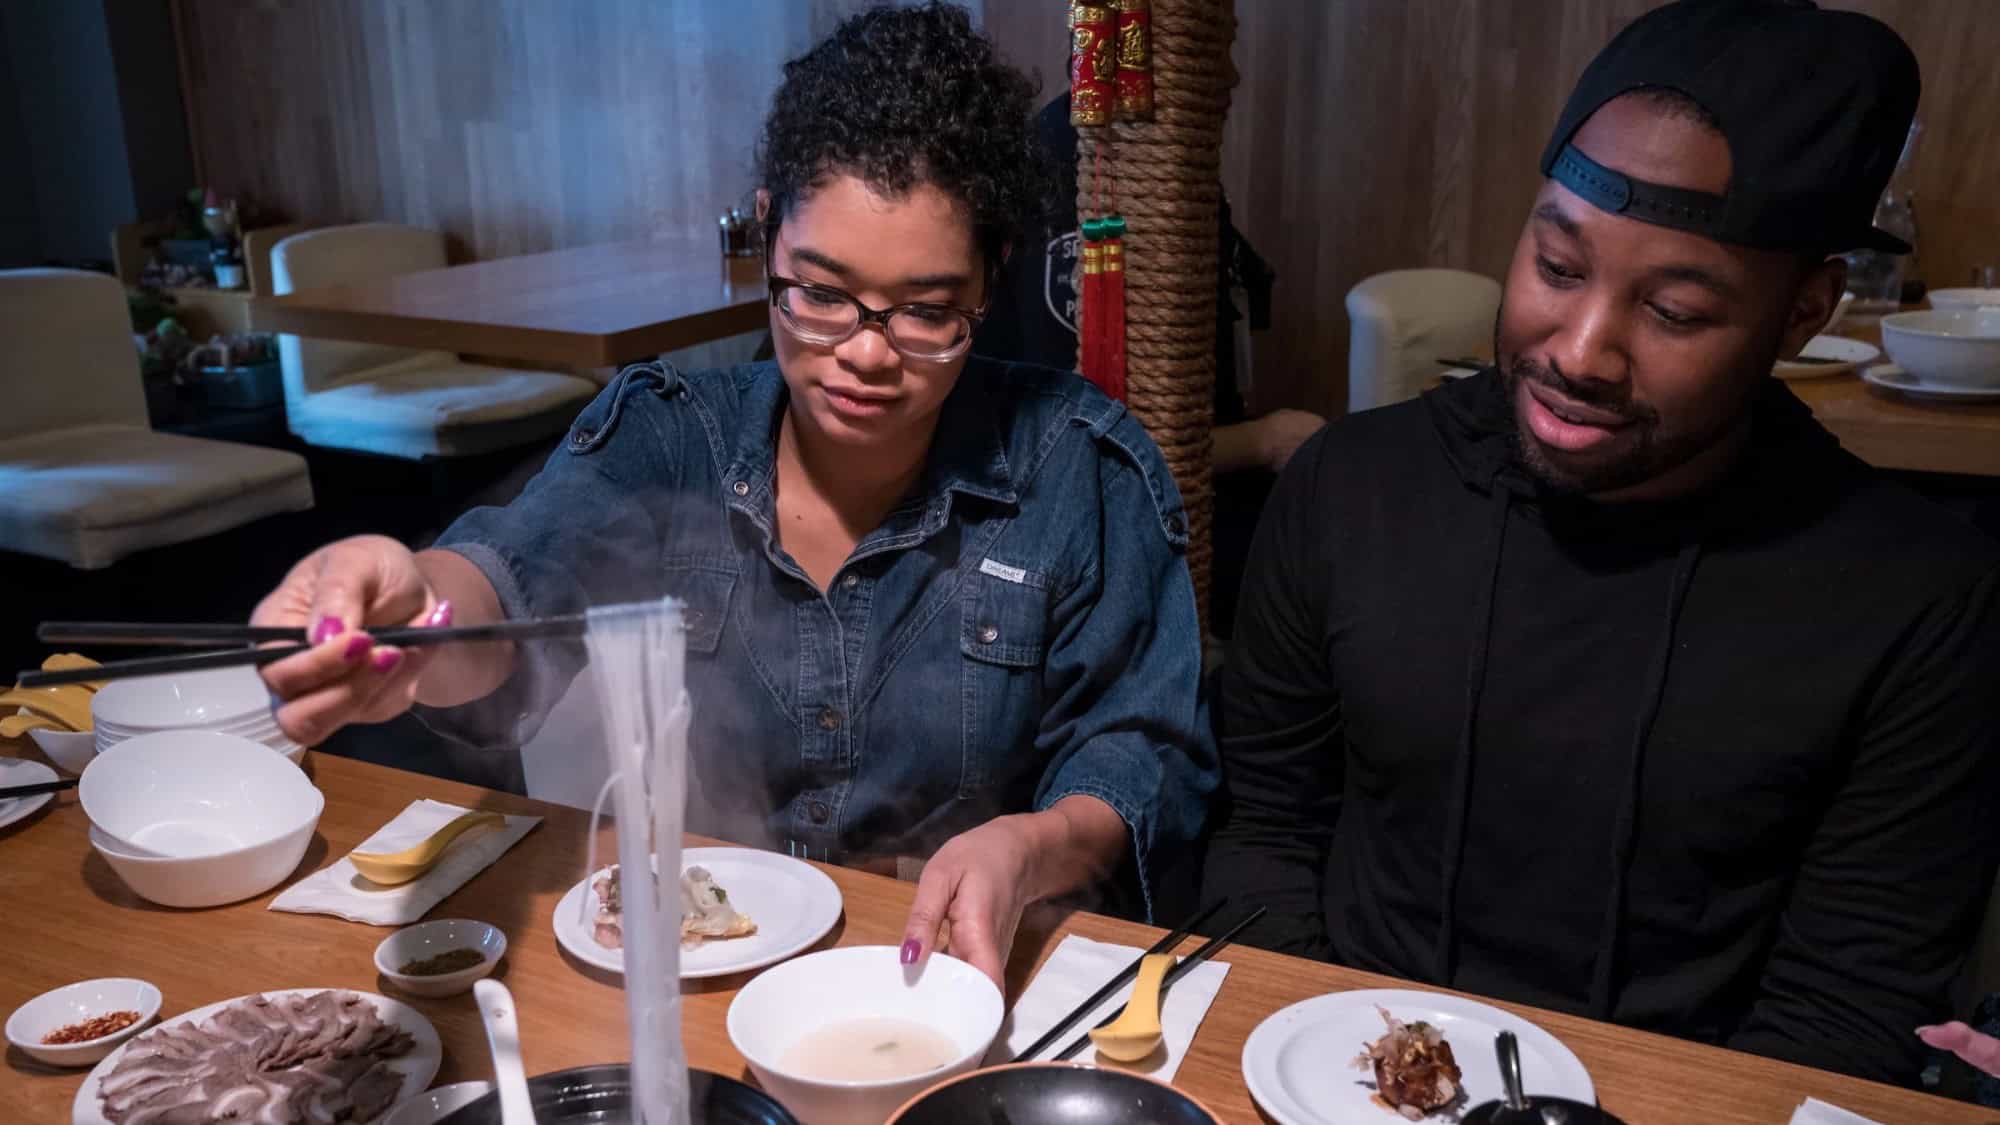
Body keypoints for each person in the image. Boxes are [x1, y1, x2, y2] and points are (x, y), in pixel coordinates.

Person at [251, 2, 1216, 989]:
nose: (866, 353)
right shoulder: (671, 434)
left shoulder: (1081, 470)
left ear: (990, 280)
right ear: (766, 234)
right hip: (721, 969)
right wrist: (417, 608)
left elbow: (1141, 756)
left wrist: (1031, 844)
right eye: (822, 292)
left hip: (953, 985)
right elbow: (508, 591)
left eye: (927, 311)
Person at [1204, 0, 2000, 1085]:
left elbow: (1846, 1002)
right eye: (1557, 267)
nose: (1580, 352)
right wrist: (1340, 1077)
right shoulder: (1350, 489)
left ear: (1802, 310)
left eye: (1672, 310)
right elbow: (1264, 837)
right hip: (1341, 1065)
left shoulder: (1916, 597)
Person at [972, 91, 1319, 638]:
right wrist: (1266, 442)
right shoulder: (1088, 177)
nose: (1229, 76)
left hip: (1191, 486)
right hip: (1104, 519)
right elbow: (1094, 444)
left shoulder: (1144, 155)